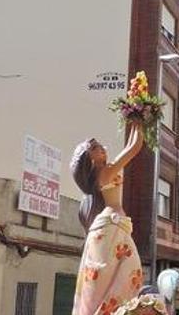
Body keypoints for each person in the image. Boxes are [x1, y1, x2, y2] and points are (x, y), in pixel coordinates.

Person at [70, 124, 145, 315]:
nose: (101, 148)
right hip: (111, 226)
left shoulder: (103, 172)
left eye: (99, 145)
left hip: (111, 225)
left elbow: (131, 145)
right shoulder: (105, 172)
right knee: (128, 272)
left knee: (111, 277)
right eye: (94, 148)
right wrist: (140, 116)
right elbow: (135, 147)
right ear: (90, 159)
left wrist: (136, 118)